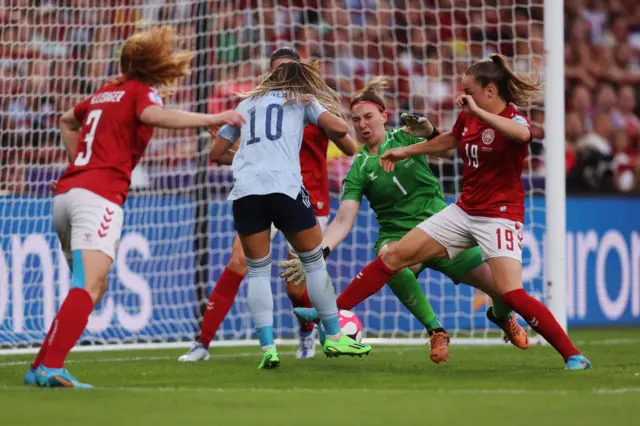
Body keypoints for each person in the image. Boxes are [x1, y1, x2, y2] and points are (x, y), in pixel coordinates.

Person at [295, 55, 592, 370]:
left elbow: (522, 135)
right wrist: (408, 149)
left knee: (509, 292)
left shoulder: (512, 118)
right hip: (463, 211)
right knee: (391, 257)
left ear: (490, 91)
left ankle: (571, 354)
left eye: (468, 90)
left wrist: (475, 113)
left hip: (500, 216)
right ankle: (331, 311)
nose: (462, 96)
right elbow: (452, 140)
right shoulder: (467, 117)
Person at [23, 26, 246, 388]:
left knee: (91, 287)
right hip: (98, 195)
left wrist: (77, 165)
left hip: (66, 195)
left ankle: (40, 367)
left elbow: (67, 119)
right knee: (89, 286)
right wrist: (213, 118)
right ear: (154, 65)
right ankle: (51, 367)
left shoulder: (104, 92)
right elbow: (154, 117)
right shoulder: (140, 93)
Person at [281, 77, 529, 364]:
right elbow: (342, 221)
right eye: (356, 119)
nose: (362, 124)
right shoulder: (359, 168)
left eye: (368, 117)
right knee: (389, 256)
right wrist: (316, 255)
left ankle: (502, 316)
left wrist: (431, 131)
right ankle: (436, 330)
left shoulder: (405, 137)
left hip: (444, 232)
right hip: (398, 237)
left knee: (502, 287)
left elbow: (449, 151)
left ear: (384, 116)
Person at [178, 48, 357, 362]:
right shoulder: (267, 104)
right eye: (276, 69)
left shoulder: (308, 101)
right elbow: (230, 153)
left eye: (287, 68)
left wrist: (325, 114)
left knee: (293, 283)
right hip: (273, 188)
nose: (282, 74)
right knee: (239, 263)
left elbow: (348, 144)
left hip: (307, 194)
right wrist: (247, 157)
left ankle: (303, 335)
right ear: (270, 73)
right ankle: (202, 343)